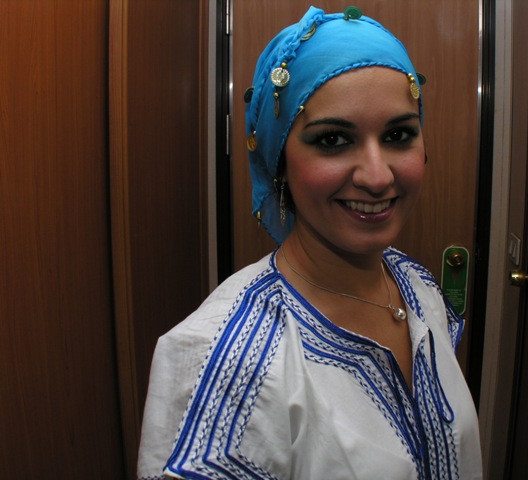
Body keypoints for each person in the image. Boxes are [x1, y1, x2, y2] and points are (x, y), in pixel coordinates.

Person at [137, 6, 482, 480]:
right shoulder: (228, 364)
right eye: (333, 140)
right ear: (280, 162)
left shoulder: (415, 285)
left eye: (398, 134)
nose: (378, 176)